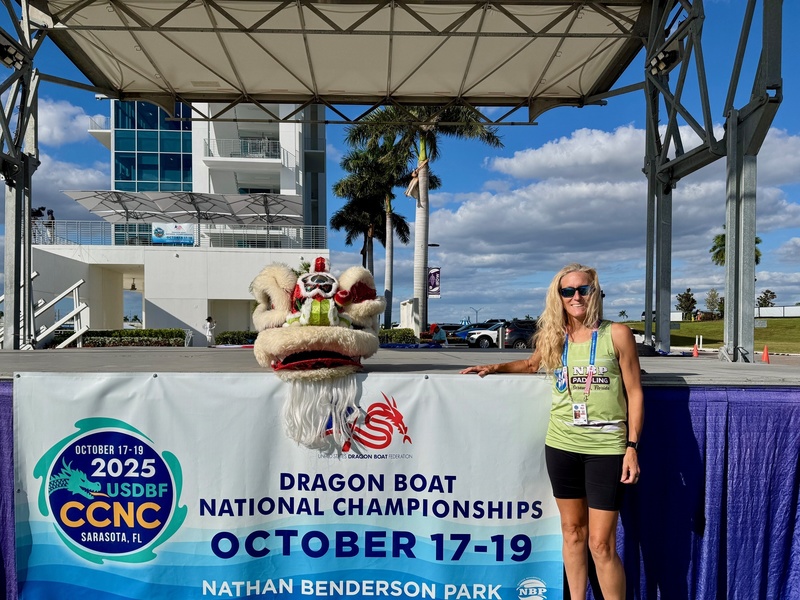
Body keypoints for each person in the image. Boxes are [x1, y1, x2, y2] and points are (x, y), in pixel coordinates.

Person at [461, 263, 643, 600]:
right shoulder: (555, 337)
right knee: (573, 533)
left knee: (601, 544)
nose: (576, 296)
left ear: (595, 292)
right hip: (561, 445)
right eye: (568, 291)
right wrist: (495, 366)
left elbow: (634, 391)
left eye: (583, 289)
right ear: (557, 297)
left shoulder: (616, 333)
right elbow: (531, 364)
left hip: (606, 447)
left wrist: (632, 446)